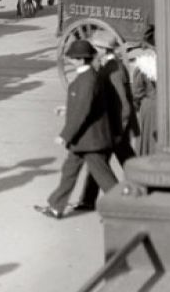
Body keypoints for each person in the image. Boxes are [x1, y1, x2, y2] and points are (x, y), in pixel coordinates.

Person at [34, 39, 118, 219]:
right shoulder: (88, 76)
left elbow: (82, 110)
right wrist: (66, 110)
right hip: (85, 139)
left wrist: (65, 135)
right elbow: (84, 106)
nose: (70, 60)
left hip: (90, 140)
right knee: (69, 172)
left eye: (72, 58)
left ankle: (123, 209)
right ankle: (56, 206)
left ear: (81, 60)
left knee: (105, 178)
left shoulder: (87, 80)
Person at [74, 41, 137, 212]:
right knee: (100, 162)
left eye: (95, 49)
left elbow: (124, 103)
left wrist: (120, 129)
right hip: (112, 124)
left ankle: (139, 195)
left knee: (123, 162)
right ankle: (87, 200)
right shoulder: (110, 65)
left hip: (115, 126)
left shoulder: (113, 70)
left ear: (102, 50)